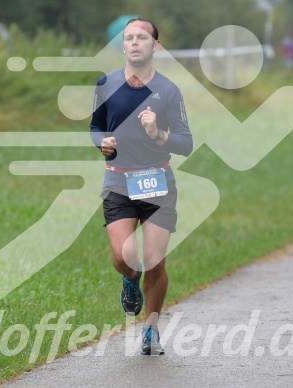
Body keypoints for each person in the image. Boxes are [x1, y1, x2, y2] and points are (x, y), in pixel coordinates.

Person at [90, 17, 193, 356]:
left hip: (157, 181)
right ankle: (130, 279)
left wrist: (158, 134)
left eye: (142, 37)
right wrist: (100, 142)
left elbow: (185, 143)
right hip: (118, 180)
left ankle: (150, 330)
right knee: (123, 257)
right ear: (123, 45)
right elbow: (95, 127)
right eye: (129, 37)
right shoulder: (106, 84)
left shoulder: (168, 90)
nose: (135, 42)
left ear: (155, 46)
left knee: (156, 261)